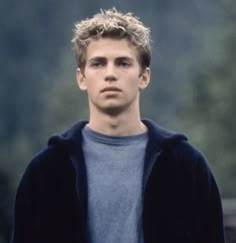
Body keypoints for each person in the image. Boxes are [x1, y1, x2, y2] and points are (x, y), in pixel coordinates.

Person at [11, 8, 225, 243]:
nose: (110, 74)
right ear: (81, 78)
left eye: (123, 63)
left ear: (144, 76)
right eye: (98, 64)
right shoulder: (46, 172)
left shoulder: (186, 166)